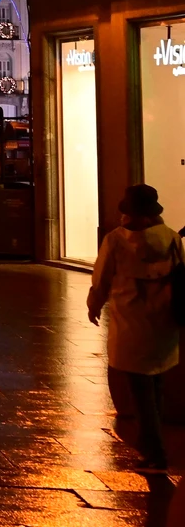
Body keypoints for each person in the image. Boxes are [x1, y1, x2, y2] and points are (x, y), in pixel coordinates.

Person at [88, 185, 180, 471]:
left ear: (131, 213)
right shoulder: (172, 237)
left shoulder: (116, 241)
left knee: (140, 393)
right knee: (155, 386)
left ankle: (154, 453)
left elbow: (102, 278)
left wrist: (94, 304)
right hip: (164, 322)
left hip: (131, 325)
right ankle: (151, 446)